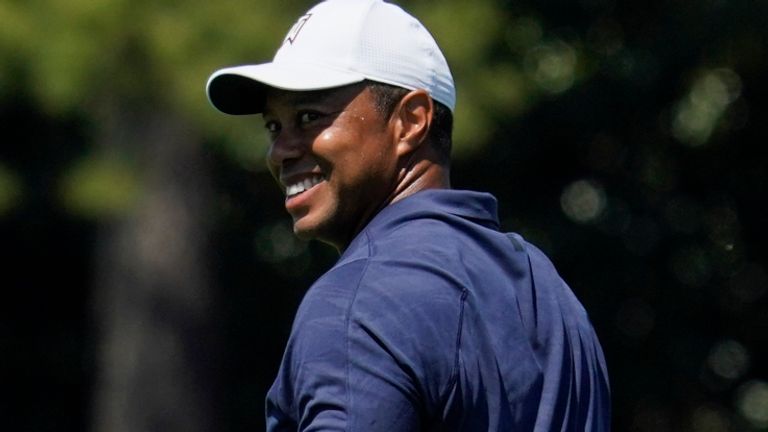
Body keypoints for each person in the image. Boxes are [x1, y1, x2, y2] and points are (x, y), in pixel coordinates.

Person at [206, 0, 611, 430]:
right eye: (274, 127)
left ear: (411, 122)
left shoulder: (357, 302)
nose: (279, 152)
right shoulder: (549, 293)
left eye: (309, 117)